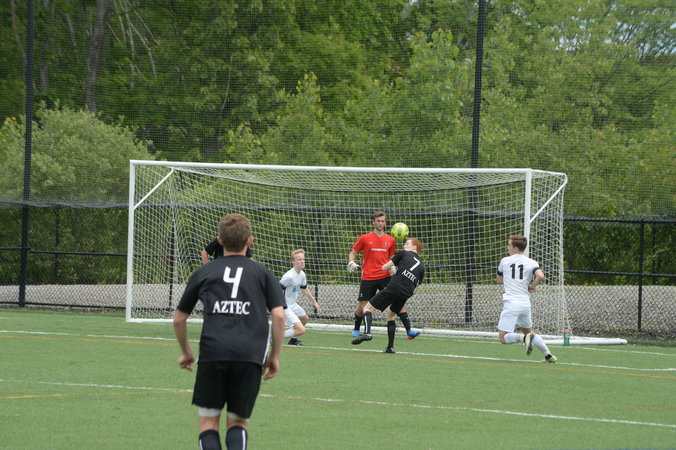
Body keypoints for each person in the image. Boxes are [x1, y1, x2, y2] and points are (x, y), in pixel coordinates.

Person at [174, 213, 285, 450]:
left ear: (220, 241)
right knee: (238, 424)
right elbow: (278, 316)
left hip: (213, 353)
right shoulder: (263, 273)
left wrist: (187, 352)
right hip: (249, 356)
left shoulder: (204, 272)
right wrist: (274, 356)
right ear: (250, 241)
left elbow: (179, 319)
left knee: (208, 423)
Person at [347, 211, 419, 340]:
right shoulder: (364, 238)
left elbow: (392, 258)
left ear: (385, 223)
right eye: (378, 221)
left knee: (398, 302)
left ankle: (409, 330)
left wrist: (393, 267)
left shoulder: (390, 240)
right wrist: (351, 261)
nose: (380, 223)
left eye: (382, 221)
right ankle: (357, 328)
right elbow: (353, 252)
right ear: (373, 222)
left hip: (385, 277)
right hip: (368, 277)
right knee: (363, 307)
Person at [351, 238, 425, 353]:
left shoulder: (403, 253)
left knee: (367, 308)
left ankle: (367, 333)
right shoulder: (422, 266)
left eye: (407, 244)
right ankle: (390, 347)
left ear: (414, 247)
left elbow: (385, 267)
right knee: (390, 316)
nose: (404, 246)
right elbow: (415, 289)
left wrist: (392, 269)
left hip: (394, 288)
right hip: (406, 293)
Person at [496, 234, 557, 363]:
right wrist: (533, 285)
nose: (507, 247)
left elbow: (499, 280)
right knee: (528, 331)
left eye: (509, 245)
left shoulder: (504, 261)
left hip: (511, 303)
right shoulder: (532, 262)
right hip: (525, 304)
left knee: (503, 338)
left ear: (515, 248)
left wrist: (507, 278)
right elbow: (540, 275)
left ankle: (524, 339)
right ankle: (548, 355)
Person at [279, 249, 322, 346]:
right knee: (300, 330)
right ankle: (273, 338)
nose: (302, 261)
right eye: (299, 259)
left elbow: (304, 289)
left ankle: (293, 340)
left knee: (305, 319)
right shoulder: (289, 277)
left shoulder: (302, 274)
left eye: (303, 259)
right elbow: (277, 290)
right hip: (284, 306)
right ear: (293, 261)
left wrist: (315, 302)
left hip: (292, 304)